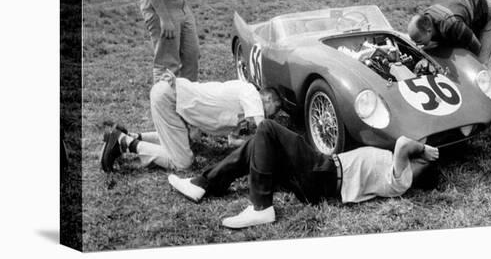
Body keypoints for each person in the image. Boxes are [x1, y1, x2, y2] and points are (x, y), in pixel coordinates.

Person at [167, 119, 439, 229]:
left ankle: (261, 206)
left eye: (418, 162)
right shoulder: (393, 172)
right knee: (260, 144)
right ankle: (203, 183)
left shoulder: (401, 180)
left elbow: (404, 143)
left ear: (419, 169)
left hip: (325, 173)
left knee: (268, 128)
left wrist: (424, 149)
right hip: (319, 178)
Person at [100, 71, 283, 173]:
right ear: (266, 99)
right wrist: (276, 147)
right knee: (183, 162)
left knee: (183, 141)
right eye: (271, 111)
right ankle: (123, 143)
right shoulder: (251, 92)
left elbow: (232, 141)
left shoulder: (242, 110)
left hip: (172, 99)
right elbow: (262, 126)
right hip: (170, 98)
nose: (268, 117)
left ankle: (130, 136)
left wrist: (245, 142)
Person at [407, 0, 491, 66]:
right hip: (467, 11)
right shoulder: (426, 19)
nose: (417, 45)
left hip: (490, 11)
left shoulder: (453, 25)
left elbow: (476, 47)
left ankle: (488, 92)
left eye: (419, 41)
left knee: (481, 62)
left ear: (428, 31)